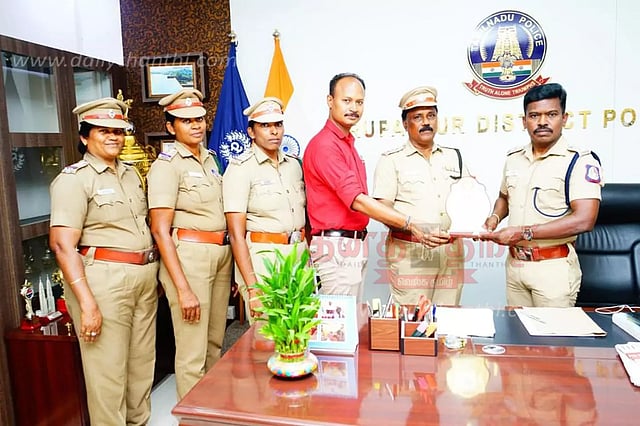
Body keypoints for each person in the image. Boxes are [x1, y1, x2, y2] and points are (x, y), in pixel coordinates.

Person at [49, 97, 159, 425]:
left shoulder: (130, 174)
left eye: (118, 131)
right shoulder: (74, 179)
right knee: (108, 377)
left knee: (141, 371)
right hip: (104, 284)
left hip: (142, 279)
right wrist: (87, 304)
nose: (114, 137)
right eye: (103, 131)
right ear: (85, 137)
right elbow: (62, 245)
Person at [303, 72, 429, 301]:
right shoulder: (325, 145)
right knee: (340, 319)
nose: (354, 108)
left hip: (350, 244)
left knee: (351, 317)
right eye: (346, 100)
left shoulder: (346, 143)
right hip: (336, 247)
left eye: (359, 102)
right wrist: (408, 223)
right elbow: (357, 200)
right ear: (330, 101)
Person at [482, 83, 603, 307]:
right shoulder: (514, 158)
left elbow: (585, 220)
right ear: (524, 121)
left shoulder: (579, 161)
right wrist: (495, 218)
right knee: (515, 329)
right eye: (534, 115)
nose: (542, 122)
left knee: (552, 330)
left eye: (551, 114)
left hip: (553, 268)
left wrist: (523, 232)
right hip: (515, 266)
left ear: (564, 118)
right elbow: (504, 197)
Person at [146, 88, 232, 399]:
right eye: (186, 121)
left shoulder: (209, 160)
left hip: (220, 255)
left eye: (199, 119)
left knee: (214, 344)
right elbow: (160, 230)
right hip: (189, 259)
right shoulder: (167, 166)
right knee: (192, 351)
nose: (196, 125)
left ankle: (210, 413)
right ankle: (192, 417)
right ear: (171, 127)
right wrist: (182, 288)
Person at [372, 86, 468, 306]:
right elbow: (382, 210)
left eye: (431, 116)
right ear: (405, 124)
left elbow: (469, 200)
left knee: (448, 317)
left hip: (451, 252)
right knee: (413, 319)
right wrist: (414, 229)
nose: (426, 122)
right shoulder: (391, 160)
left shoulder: (455, 157)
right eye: (418, 117)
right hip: (411, 253)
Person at [223, 97, 306, 324]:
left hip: (298, 256)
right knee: (267, 334)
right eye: (265, 125)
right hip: (264, 260)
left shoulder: (294, 165)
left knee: (299, 332)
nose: (274, 131)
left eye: (278, 124)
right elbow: (236, 234)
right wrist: (252, 287)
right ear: (251, 131)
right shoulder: (240, 169)